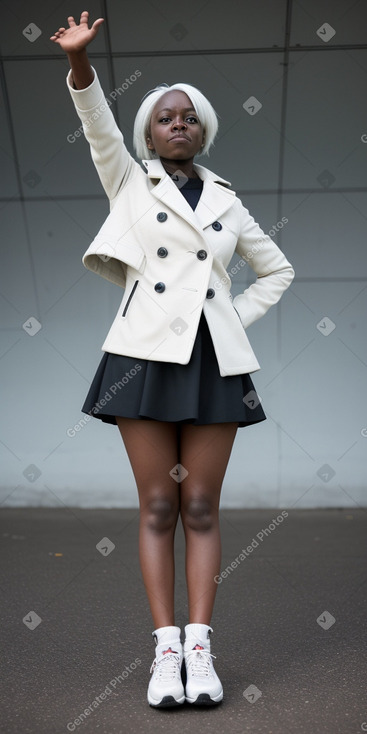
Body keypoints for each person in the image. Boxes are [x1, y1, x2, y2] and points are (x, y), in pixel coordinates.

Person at [50, 10, 295, 709]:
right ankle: (164, 654)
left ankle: (200, 648)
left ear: (203, 129)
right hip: (142, 360)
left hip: (213, 365)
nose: (177, 122)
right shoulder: (129, 183)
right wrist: (78, 64)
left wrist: (224, 323)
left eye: (187, 115)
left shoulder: (227, 201)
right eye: (164, 117)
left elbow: (275, 272)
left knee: (200, 506)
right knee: (157, 505)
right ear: (148, 135)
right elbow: (97, 123)